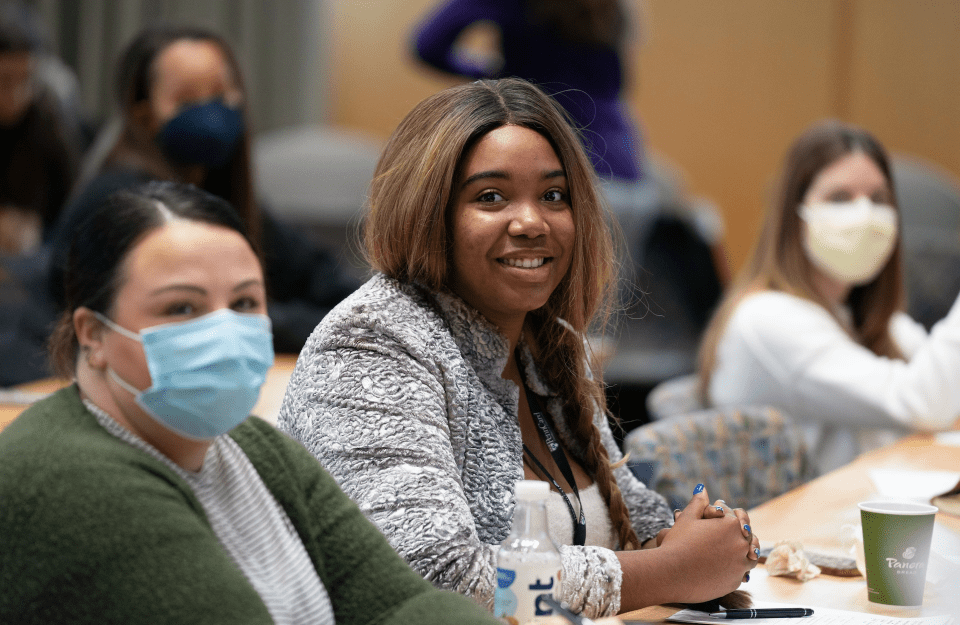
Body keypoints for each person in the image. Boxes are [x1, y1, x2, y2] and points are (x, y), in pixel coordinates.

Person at [278, 78, 758, 619]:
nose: (531, 222)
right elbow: (429, 580)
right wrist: (672, 571)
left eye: (553, 196)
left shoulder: (552, 344)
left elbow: (630, 523)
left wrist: (695, 538)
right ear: (427, 213)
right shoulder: (372, 343)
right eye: (491, 197)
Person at [0, 181, 504, 625]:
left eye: (243, 303)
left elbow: (402, 605)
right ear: (92, 334)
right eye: (182, 307)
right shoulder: (74, 480)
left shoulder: (247, 445)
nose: (224, 330)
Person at [47, 24, 357, 353]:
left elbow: (331, 285)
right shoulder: (124, 204)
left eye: (221, 93)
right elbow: (192, 324)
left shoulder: (221, 196)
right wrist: (265, 320)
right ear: (145, 114)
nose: (211, 110)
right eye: (187, 98)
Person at [698, 120, 960, 476]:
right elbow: (923, 403)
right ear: (794, 215)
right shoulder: (767, 317)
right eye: (840, 197)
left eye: (878, 199)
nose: (864, 214)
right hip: (781, 525)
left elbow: (945, 392)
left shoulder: (859, 314)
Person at [0, 7, 79, 250]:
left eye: (26, 80)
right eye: (4, 81)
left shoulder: (47, 121)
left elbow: (70, 213)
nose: (16, 96)